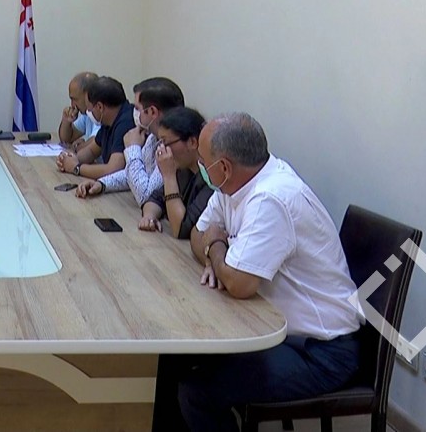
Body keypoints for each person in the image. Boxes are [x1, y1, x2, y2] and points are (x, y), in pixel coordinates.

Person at [154, 112, 361, 431]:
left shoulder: (271, 198)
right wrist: (216, 256)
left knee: (197, 392)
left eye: (204, 161)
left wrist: (215, 248)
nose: (200, 166)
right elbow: (197, 233)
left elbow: (238, 283)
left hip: (319, 351)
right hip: (274, 330)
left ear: (224, 167)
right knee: (172, 359)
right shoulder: (233, 185)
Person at [82, 107, 210, 238]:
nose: (161, 149)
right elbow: (155, 197)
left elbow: (181, 228)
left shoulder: (210, 180)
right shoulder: (183, 169)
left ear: (192, 142)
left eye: (166, 143)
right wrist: (150, 216)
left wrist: (168, 177)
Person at [75, 77, 185, 205]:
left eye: (137, 108)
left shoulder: (173, 146)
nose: (134, 112)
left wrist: (133, 148)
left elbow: (146, 196)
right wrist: (102, 184)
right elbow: (132, 174)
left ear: (152, 112)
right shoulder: (153, 137)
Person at [55, 76, 134, 180]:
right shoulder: (108, 122)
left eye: (90, 109)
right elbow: (91, 151)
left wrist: (76, 168)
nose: (89, 113)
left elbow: (113, 170)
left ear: (100, 107)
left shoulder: (126, 123)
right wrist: (69, 159)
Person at [57, 71, 100, 150]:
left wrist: (79, 146)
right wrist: (66, 121)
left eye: (75, 99)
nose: (72, 105)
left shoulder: (102, 113)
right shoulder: (87, 114)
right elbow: (66, 139)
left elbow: (96, 142)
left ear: (88, 95)